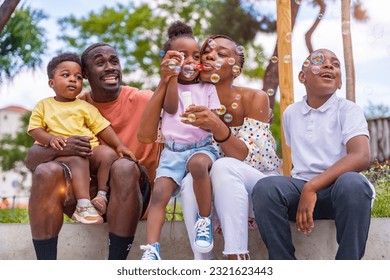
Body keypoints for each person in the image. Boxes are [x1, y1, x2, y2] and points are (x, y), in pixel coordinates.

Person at [138, 34, 280, 260]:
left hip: (258, 185)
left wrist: (216, 124)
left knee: (222, 166)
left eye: (221, 54)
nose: (209, 56)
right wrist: (166, 80)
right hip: (214, 190)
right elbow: (145, 136)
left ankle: (237, 257)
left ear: (236, 70)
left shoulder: (255, 98)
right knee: (189, 180)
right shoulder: (186, 96)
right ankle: (202, 261)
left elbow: (242, 157)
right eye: (206, 53)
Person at [25, 43, 161, 260]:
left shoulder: (144, 99)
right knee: (46, 171)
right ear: (87, 74)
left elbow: (178, 110)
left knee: (123, 165)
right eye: (100, 63)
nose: (110, 68)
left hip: (131, 192)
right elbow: (31, 159)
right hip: (80, 195)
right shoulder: (68, 106)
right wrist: (62, 147)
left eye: (114, 61)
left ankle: (115, 266)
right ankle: (46, 266)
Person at [251, 48, 375, 260]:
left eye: (335, 64)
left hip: (341, 195)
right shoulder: (291, 113)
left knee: (354, 183)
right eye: (319, 61)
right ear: (302, 76)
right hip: (301, 195)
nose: (329, 65)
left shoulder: (348, 110)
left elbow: (361, 156)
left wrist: (313, 186)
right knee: (266, 187)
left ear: (340, 83)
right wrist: (306, 188)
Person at [139, 21, 221, 260]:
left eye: (196, 55)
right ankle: (152, 249)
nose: (191, 61)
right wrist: (170, 77)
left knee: (197, 165)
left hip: (202, 148)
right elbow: (172, 106)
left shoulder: (207, 87)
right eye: (182, 56)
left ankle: (203, 221)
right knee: (160, 193)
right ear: (169, 60)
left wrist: (203, 119)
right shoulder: (166, 86)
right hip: (173, 152)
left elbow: (214, 122)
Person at [28, 53, 136, 224]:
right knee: (79, 159)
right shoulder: (44, 105)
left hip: (88, 148)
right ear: (51, 83)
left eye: (78, 77)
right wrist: (50, 139)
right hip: (64, 153)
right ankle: (83, 205)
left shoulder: (85, 107)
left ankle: (101, 196)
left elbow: (102, 127)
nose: (73, 80)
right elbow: (35, 129)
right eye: (66, 75)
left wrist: (119, 145)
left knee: (108, 154)